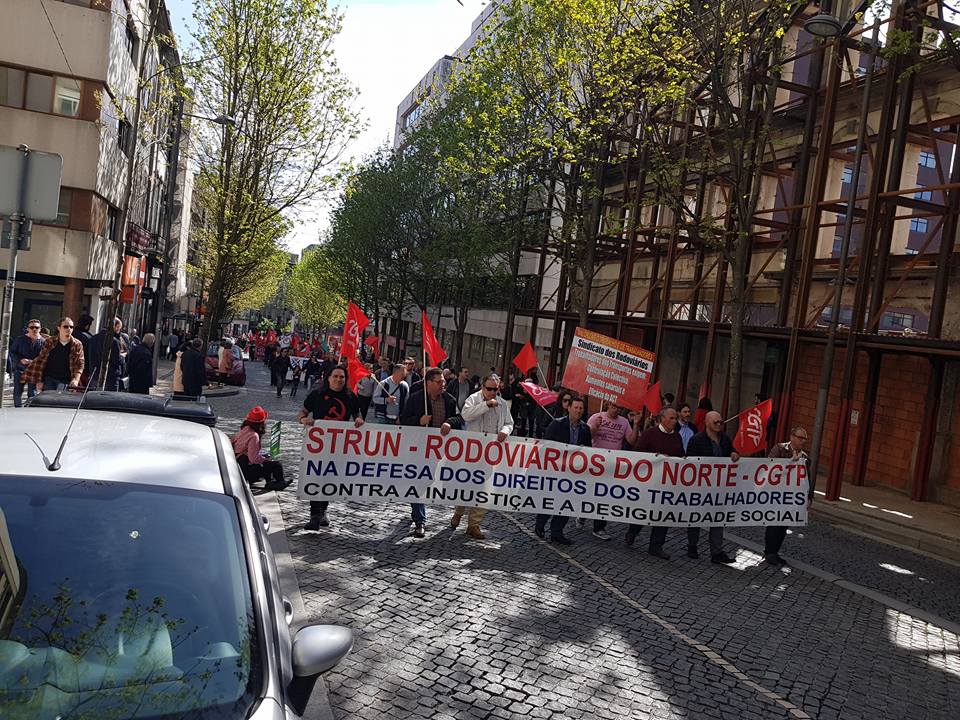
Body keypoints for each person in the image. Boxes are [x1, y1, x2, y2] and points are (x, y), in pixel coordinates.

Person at [299, 365, 365, 531]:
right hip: (318, 446)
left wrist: (358, 419)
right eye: (335, 376)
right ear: (328, 378)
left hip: (339, 446)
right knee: (316, 476)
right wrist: (303, 420)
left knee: (329, 478)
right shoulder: (316, 395)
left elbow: (357, 413)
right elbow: (303, 412)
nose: (338, 379)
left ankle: (323, 511)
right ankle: (315, 514)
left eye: (342, 377)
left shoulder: (350, 396)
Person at [399, 367, 462, 538]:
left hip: (440, 451)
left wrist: (450, 422)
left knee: (428, 480)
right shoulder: (415, 399)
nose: (443, 384)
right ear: (428, 383)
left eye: (443, 381)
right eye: (439, 381)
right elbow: (404, 421)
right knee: (418, 480)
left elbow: (459, 418)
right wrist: (418, 421)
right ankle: (420, 520)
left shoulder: (449, 399)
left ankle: (416, 508)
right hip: (418, 449)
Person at [450, 373, 513, 539]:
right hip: (473, 452)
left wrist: (504, 431)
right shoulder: (473, 399)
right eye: (489, 389)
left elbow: (509, 423)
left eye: (495, 389)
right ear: (483, 387)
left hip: (491, 452)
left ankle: (474, 524)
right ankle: (459, 512)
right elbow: (466, 415)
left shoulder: (502, 404)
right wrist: (486, 405)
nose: (492, 392)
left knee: (484, 487)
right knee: (466, 484)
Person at [625, 406, 685, 558]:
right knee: (644, 511)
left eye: (675, 418)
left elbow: (681, 455)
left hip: (668, 483)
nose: (674, 421)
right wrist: (654, 457)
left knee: (664, 514)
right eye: (671, 418)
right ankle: (633, 530)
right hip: (650, 482)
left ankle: (656, 546)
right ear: (662, 419)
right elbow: (638, 453)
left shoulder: (677, 437)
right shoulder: (650, 434)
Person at [535, 396, 591, 545]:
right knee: (551, 499)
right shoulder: (557, 424)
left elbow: (589, 451)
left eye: (581, 408)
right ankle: (540, 525)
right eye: (576, 407)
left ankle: (557, 532)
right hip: (556, 470)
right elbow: (546, 444)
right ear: (569, 408)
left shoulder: (585, 429)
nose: (578, 411)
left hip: (573, 472)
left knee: (567, 502)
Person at [685, 411, 738, 564]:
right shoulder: (696, 440)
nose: (719, 424)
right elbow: (690, 463)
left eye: (721, 421)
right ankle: (692, 546)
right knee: (696, 517)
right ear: (707, 422)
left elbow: (732, 450)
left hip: (720, 487)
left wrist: (734, 453)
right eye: (716, 422)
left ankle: (717, 552)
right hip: (701, 487)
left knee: (718, 518)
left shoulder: (725, 439)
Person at [584, 403, 639, 539]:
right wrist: (596, 427)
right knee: (589, 493)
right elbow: (586, 436)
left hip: (612, 465)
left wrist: (636, 424)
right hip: (595, 463)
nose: (616, 410)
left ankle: (599, 527)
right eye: (614, 407)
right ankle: (582, 514)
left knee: (605, 495)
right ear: (608, 405)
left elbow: (631, 441)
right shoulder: (596, 417)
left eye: (619, 408)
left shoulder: (624, 422)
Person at [764, 425, 810, 567]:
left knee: (783, 525)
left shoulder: (805, 457)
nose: (803, 441)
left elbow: (808, 479)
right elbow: (770, 467)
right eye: (800, 437)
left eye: (805, 438)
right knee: (774, 524)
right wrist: (791, 462)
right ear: (792, 437)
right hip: (776, 494)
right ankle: (769, 552)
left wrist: (809, 497)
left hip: (791, 497)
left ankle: (775, 552)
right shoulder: (779, 449)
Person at [21, 317, 84, 392]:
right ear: (59, 328)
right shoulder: (50, 341)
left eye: (71, 327)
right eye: (66, 326)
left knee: (61, 399)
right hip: (49, 379)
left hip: (66, 380)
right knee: (47, 399)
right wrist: (39, 381)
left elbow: (80, 364)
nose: (69, 329)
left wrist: (76, 380)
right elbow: (41, 360)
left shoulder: (77, 344)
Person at [232, 406, 286, 490]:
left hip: (239, 467)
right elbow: (253, 458)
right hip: (245, 471)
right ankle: (280, 482)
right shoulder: (254, 436)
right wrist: (265, 460)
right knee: (276, 465)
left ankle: (270, 482)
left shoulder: (243, 430)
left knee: (266, 459)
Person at [9, 320, 44, 407]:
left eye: (37, 327)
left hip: (34, 371)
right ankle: (18, 409)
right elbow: (12, 352)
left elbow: (45, 356)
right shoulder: (20, 339)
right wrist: (20, 359)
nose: (34, 329)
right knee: (18, 392)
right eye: (32, 327)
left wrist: (35, 361)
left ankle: (28, 410)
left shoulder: (43, 341)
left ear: (40, 329)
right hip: (20, 369)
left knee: (32, 394)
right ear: (28, 329)